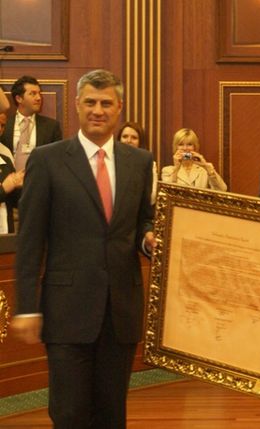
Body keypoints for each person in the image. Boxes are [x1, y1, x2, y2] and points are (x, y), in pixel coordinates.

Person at [11, 69, 156, 428]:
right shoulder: (47, 160)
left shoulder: (140, 161)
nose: (98, 110)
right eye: (90, 101)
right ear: (77, 105)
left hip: (120, 310)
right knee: (70, 413)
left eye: (106, 103)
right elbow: (30, 240)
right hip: (66, 313)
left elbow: (143, 222)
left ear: (118, 108)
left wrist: (148, 239)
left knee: (111, 414)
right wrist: (27, 306)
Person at [0, 75, 63, 171]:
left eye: (39, 93)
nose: (38, 98)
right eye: (33, 94)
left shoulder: (52, 127)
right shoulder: (4, 125)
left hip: (39, 183)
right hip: (9, 182)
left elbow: (57, 160)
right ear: (19, 99)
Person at [161, 128, 227, 191]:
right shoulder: (167, 171)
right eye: (181, 144)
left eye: (189, 144)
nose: (185, 148)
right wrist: (176, 168)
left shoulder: (204, 170)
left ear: (194, 147)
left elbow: (222, 190)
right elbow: (167, 192)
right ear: (176, 147)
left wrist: (206, 166)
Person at [117, 121, 158, 205]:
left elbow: (152, 198)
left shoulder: (149, 164)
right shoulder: (110, 160)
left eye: (134, 138)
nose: (128, 141)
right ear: (119, 139)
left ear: (140, 142)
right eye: (125, 136)